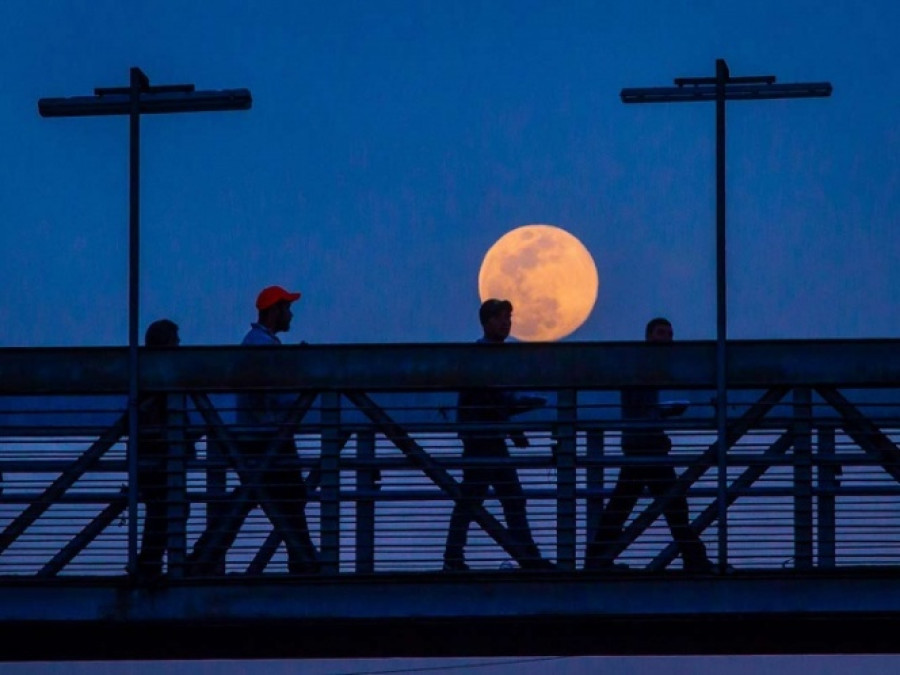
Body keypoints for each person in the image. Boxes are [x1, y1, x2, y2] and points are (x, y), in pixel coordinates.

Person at [584, 317, 713, 572]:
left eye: (669, 334)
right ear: (648, 336)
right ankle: (694, 559)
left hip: (643, 446)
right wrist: (664, 412)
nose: (667, 339)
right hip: (645, 447)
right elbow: (639, 408)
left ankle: (597, 560)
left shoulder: (648, 367)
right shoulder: (640, 366)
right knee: (671, 506)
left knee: (628, 506)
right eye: (661, 333)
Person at [442, 298, 554, 571]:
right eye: (500, 318)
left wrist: (514, 420)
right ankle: (528, 558)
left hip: (486, 440)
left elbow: (494, 400)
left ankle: (457, 556)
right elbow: (491, 400)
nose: (506, 323)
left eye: (508, 318)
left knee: (480, 500)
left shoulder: (492, 356)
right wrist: (517, 422)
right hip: (483, 442)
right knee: (499, 499)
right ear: (486, 322)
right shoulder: (483, 357)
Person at [227, 285, 320, 574]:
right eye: (287, 308)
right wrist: (302, 374)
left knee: (276, 501)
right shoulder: (262, 347)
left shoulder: (256, 343)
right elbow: (279, 396)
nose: (291, 314)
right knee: (290, 501)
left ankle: (304, 561)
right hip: (268, 440)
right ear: (274, 311)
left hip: (260, 439)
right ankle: (304, 564)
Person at [137, 318, 193, 579]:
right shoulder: (158, 381)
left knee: (162, 513)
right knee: (165, 511)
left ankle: (154, 565)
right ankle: (157, 566)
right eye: (176, 341)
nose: (180, 346)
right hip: (159, 462)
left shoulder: (148, 378)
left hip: (157, 461)